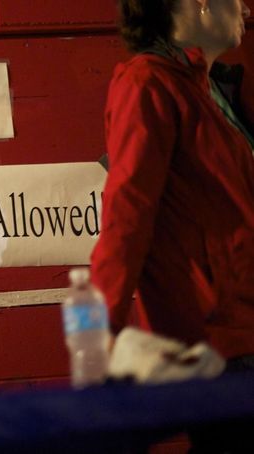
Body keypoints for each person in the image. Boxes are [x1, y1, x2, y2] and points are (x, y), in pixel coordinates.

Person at [92, 0, 254, 451]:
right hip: (220, 342)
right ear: (199, 4)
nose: (244, 6)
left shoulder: (202, 88)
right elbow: (126, 214)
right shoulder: (147, 82)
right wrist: (97, 336)